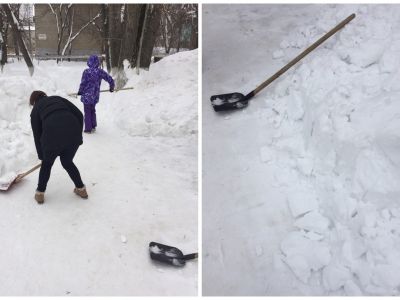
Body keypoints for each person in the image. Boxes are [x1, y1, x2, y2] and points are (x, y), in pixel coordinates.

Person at [30, 91, 88, 204]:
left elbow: (37, 135)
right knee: (67, 162)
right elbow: (80, 114)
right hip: (73, 134)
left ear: (34, 101)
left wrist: (42, 156)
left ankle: (40, 194)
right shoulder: (57, 98)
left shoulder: (36, 109)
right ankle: (81, 189)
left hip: (51, 137)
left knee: (47, 165)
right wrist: (77, 134)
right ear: (44, 95)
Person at [78, 55, 115, 133]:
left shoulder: (86, 72)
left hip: (87, 96)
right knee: (92, 110)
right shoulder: (100, 72)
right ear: (97, 62)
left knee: (87, 111)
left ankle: (88, 129)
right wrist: (112, 87)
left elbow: (83, 83)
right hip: (95, 95)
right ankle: (93, 126)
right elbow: (109, 78)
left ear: (89, 62)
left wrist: (80, 91)